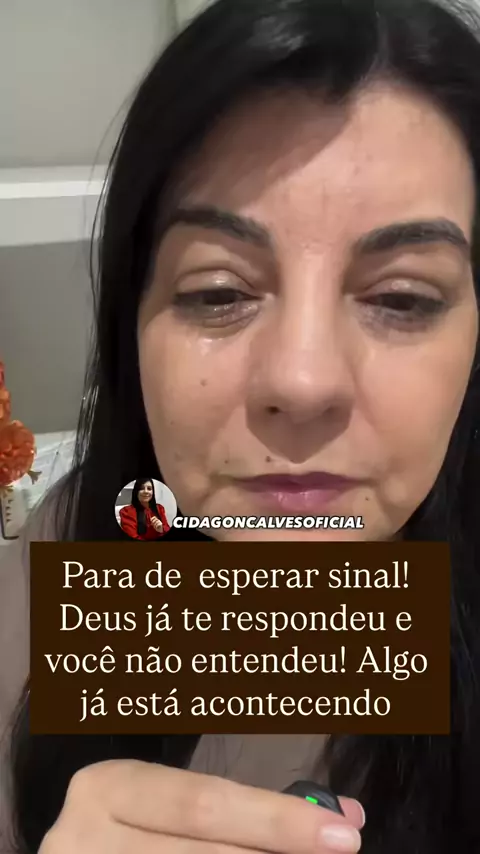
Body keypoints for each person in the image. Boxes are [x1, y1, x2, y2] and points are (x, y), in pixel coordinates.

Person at [1, 0, 480, 851]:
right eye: (218, 292)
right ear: (131, 327)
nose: (302, 381)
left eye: (403, 298)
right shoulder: (71, 558)